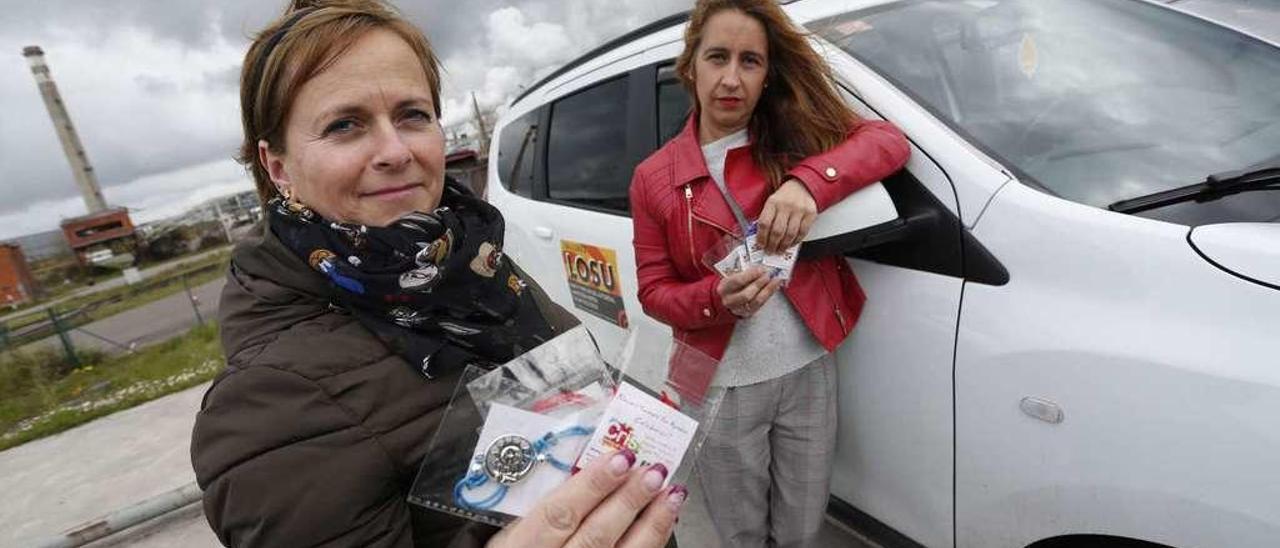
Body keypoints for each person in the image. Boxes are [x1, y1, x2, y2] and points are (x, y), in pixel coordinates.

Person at [190, 1, 685, 546]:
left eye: (412, 115)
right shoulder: (267, 410)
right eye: (344, 125)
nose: (396, 150)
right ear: (277, 166)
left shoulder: (474, 268)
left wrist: (629, 421)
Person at [629, 1, 911, 546]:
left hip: (809, 368)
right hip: (720, 385)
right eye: (717, 57)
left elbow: (888, 141)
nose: (731, 78)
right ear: (691, 67)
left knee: (803, 526)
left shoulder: (792, 140)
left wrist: (809, 182)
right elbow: (653, 291)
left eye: (750, 61)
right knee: (742, 534)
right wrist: (716, 297)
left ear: (766, 76)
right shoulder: (653, 178)